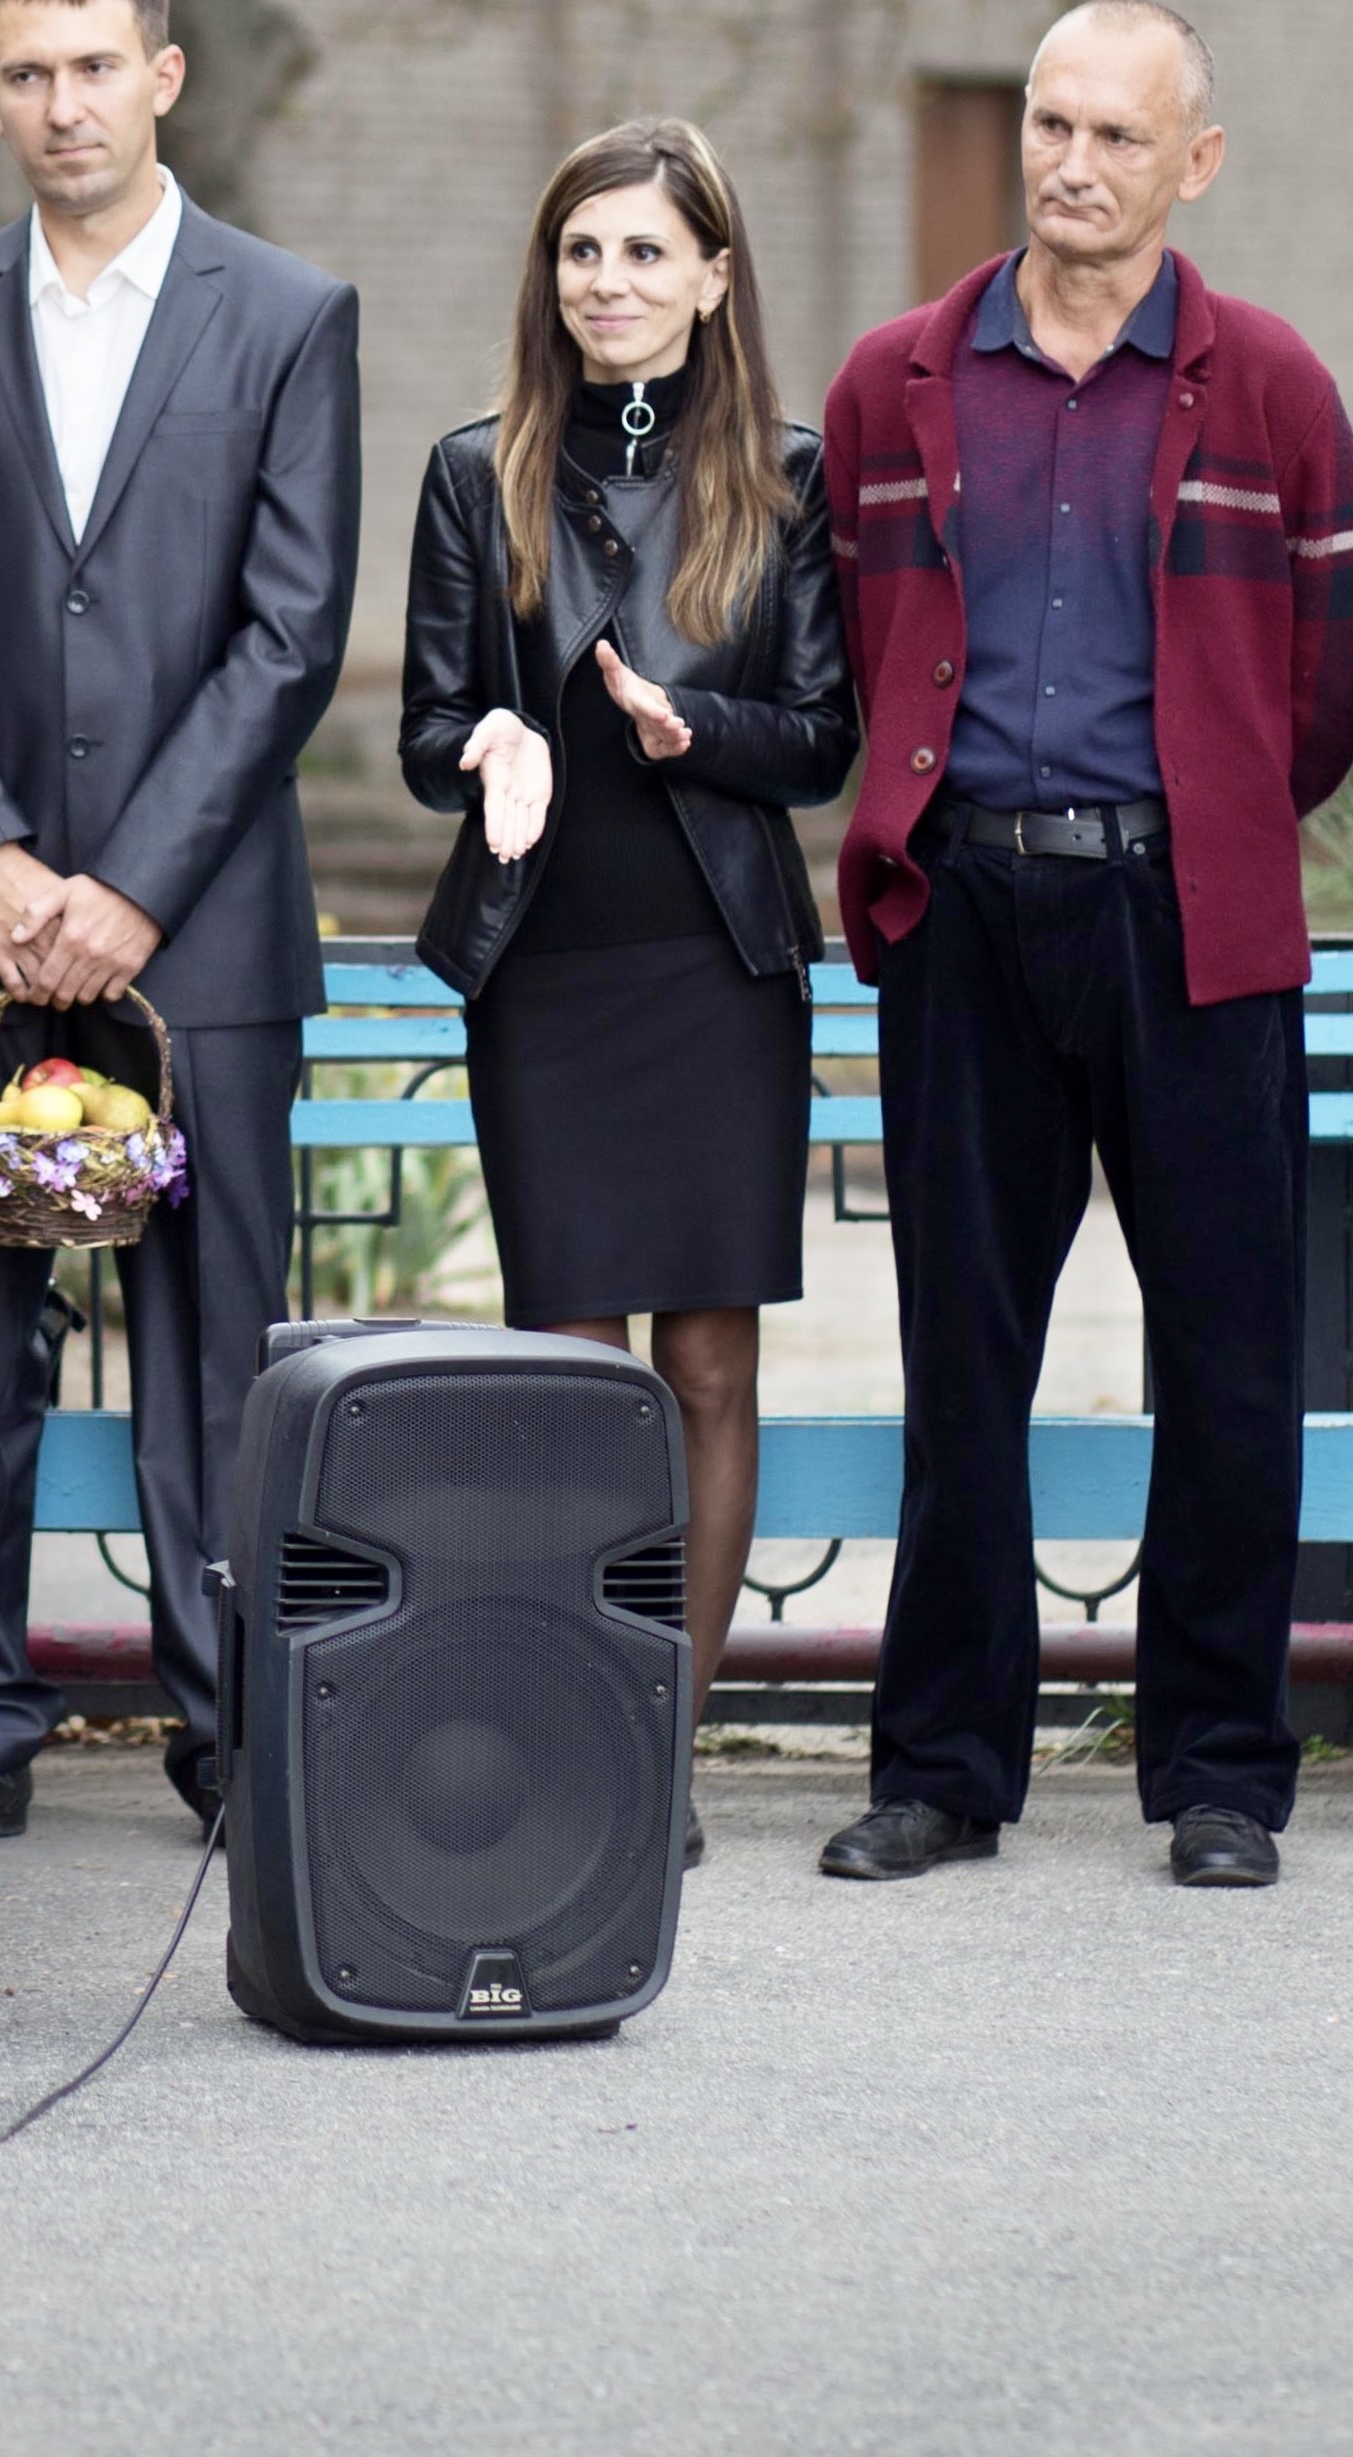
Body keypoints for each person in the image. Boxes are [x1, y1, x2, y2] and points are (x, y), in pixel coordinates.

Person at [812, 0, 1353, 1894]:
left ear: (1190, 161)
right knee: (958, 1353)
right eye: (1048, 122)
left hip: (1187, 915)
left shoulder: (1275, 387)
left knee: (1226, 1358)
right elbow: (853, 642)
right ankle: (941, 1767)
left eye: (1115, 135)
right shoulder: (890, 380)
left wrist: (1192, 822)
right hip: (963, 902)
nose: (1069, 161)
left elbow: (1314, 703)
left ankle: (1219, 1771)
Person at [0, 0, 362, 1841]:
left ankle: (231, 1725)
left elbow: (290, 637)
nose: (61, 104)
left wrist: (124, 888)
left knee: (213, 1347)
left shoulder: (288, 316)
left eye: (92, 66)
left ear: (163, 73)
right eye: (26, 74)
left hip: (194, 932)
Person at [399, 118, 851, 1820]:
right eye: (581, 251)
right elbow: (422, 722)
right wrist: (491, 742)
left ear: (713, 276)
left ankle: (658, 1736)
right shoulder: (474, 470)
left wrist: (691, 728)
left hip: (713, 967)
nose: (607, 281)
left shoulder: (786, 478)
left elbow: (818, 741)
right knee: (571, 1372)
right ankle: (572, 1720)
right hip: (549, 970)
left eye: (645, 250)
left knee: (707, 1364)